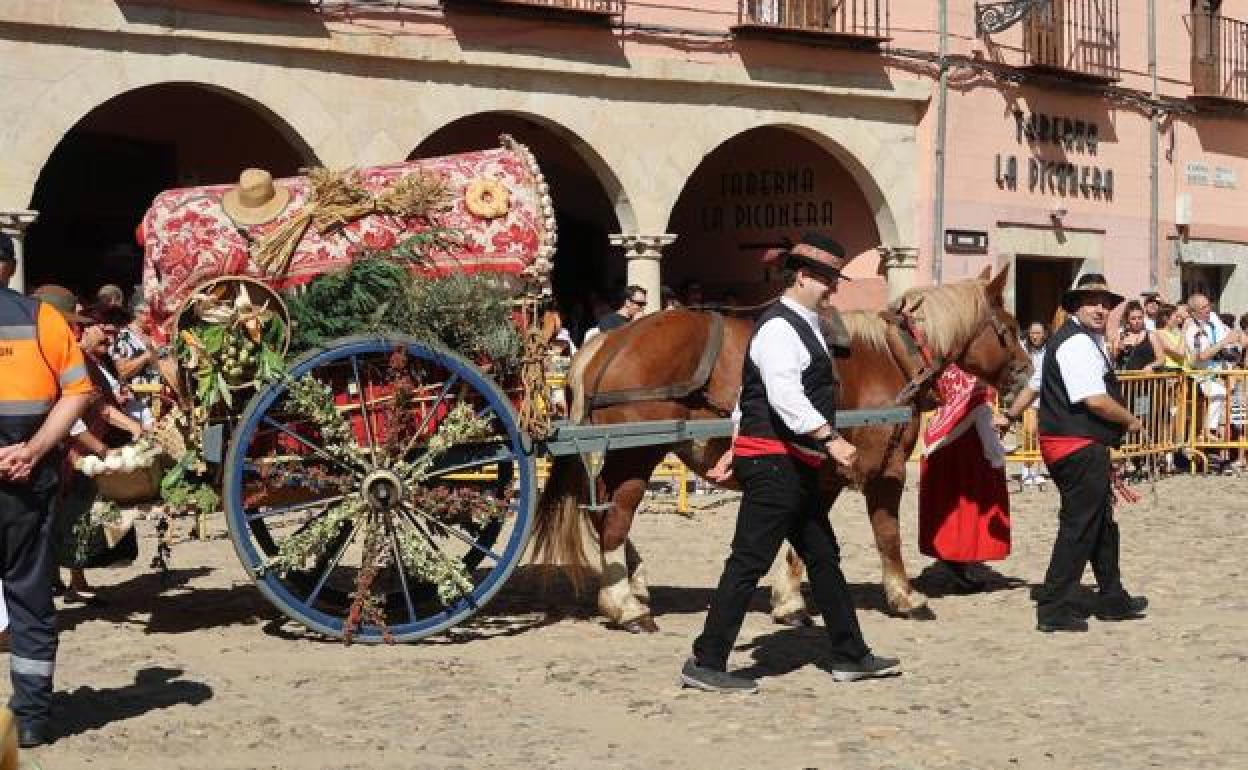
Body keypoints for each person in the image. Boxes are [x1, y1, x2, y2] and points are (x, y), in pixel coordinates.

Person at [682, 233, 900, 693]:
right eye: (824, 279)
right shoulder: (781, 326)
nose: (831, 289)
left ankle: (850, 653)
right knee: (748, 562)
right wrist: (830, 438)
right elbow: (782, 396)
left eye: (833, 280)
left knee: (823, 556)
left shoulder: (804, 324)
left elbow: (747, 397)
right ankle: (707, 659)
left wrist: (735, 446)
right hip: (776, 465)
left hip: (790, 463)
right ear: (801, 276)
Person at [0, 282, 95, 746]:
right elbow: (78, 392)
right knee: (29, 594)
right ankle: (33, 716)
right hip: (24, 483)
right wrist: (33, 451)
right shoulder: (42, 319)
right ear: (10, 268)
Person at [1035, 273, 1147, 633]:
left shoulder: (1086, 340)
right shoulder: (1076, 343)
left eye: (1105, 302)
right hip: (1075, 446)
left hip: (1080, 444)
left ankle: (1112, 597)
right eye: (1092, 301)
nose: (1101, 308)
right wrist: (1132, 421)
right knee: (1079, 526)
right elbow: (1094, 400)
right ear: (1075, 306)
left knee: (1100, 525)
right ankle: (1054, 606)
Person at [918, 365, 1017, 591]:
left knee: (946, 506)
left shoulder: (946, 371)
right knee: (965, 509)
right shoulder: (974, 384)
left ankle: (951, 557)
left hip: (941, 447)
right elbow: (983, 418)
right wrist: (997, 458)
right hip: (968, 456)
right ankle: (958, 561)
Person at [1185, 293, 1241, 443]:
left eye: (1208, 305)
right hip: (1203, 375)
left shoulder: (1214, 318)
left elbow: (1229, 336)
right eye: (1203, 308)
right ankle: (1208, 430)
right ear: (1194, 312)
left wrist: (1234, 342)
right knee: (1218, 393)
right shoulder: (1193, 330)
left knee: (1234, 408)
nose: (1208, 309)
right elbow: (1201, 356)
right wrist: (1224, 342)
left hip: (1223, 372)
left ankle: (1223, 440)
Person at [1018, 322, 1048, 487]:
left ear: (1043, 334)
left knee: (1039, 434)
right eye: (1032, 333)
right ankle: (1026, 470)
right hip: (1029, 395)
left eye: (1038, 333)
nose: (1035, 336)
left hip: (1044, 396)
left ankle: (1036, 471)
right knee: (1029, 431)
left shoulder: (1048, 349)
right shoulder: (1022, 348)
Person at [1110, 300, 1165, 372]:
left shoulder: (1151, 336)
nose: (1137, 321)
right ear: (1128, 320)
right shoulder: (1121, 336)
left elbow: (1161, 359)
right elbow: (1113, 359)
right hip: (1125, 379)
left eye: (1140, 318)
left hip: (1146, 380)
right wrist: (1118, 350)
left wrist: (1151, 366)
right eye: (1133, 318)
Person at [582, 285, 647, 344]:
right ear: (628, 303)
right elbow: (618, 346)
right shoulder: (609, 321)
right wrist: (634, 324)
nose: (642, 308)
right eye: (639, 304)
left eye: (644, 304)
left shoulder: (637, 320)